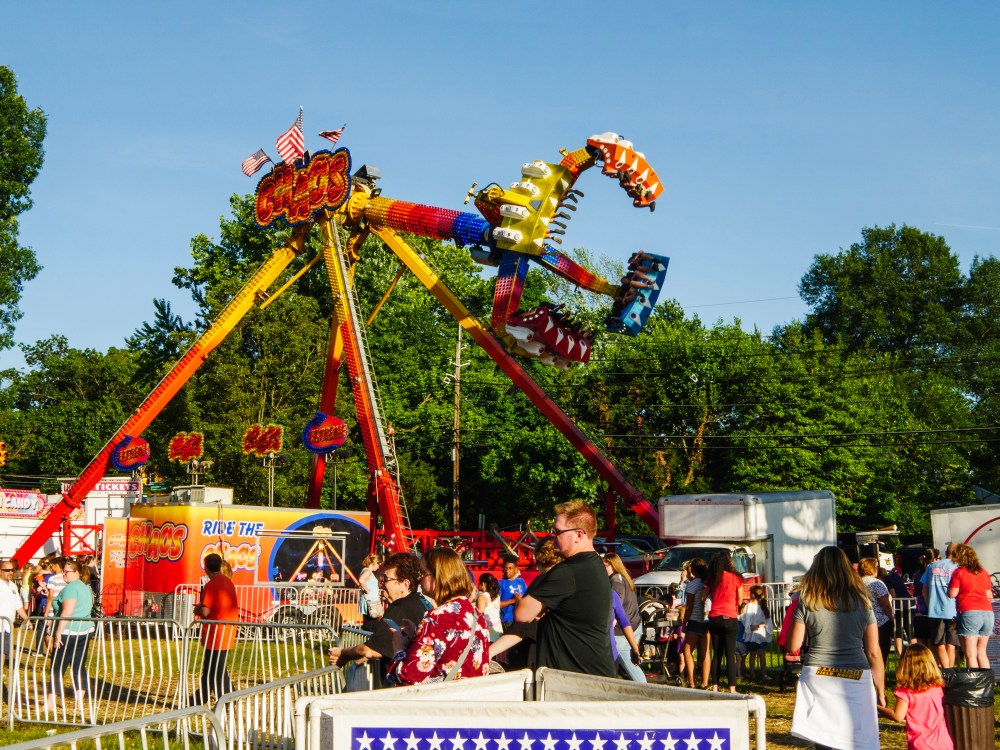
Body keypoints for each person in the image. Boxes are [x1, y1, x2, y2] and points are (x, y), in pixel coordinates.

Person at [788, 546, 885, 750]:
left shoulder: (807, 600)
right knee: (852, 737)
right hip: (856, 675)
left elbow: (794, 646)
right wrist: (881, 690)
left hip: (819, 673)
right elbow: (874, 652)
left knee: (823, 736)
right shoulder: (862, 601)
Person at [514, 500, 615, 677]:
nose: (552, 536)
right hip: (593, 674)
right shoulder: (595, 564)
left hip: (572, 680)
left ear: (578, 535)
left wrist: (537, 606)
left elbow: (522, 613)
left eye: (557, 531)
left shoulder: (568, 570)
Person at [388, 547, 489, 685]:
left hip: (443, 702)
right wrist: (418, 635)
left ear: (439, 577)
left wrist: (399, 647)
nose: (419, 578)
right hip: (473, 699)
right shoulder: (476, 615)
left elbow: (408, 676)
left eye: (423, 573)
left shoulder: (437, 618)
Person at [329, 552, 428, 685]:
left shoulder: (400, 607)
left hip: (400, 689)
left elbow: (371, 650)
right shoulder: (420, 602)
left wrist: (343, 653)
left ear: (405, 584)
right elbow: (386, 647)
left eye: (386, 580)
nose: (381, 585)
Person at [877, 643, 953, 750]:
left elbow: (898, 716)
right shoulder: (938, 687)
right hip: (943, 743)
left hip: (920, 744)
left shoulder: (906, 691)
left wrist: (877, 707)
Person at [46, 559, 95, 715]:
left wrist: (58, 632)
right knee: (78, 666)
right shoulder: (85, 587)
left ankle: (50, 702)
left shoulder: (71, 589)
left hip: (69, 632)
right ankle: (79, 703)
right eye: (63, 571)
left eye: (66, 571)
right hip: (84, 630)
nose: (63, 574)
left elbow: (67, 612)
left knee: (57, 667)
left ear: (76, 573)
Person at [193, 553, 239, 705]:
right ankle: (201, 698)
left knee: (215, 671)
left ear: (206, 568)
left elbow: (205, 611)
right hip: (227, 631)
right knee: (216, 668)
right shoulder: (228, 583)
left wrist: (197, 609)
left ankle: (226, 701)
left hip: (216, 634)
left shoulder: (211, 585)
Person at [946, 543, 995, 668]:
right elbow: (989, 595)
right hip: (987, 613)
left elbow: (952, 593)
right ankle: (986, 684)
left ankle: (973, 685)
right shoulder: (983, 572)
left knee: (970, 655)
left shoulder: (959, 572)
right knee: (982, 653)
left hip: (969, 613)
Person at [604, 552, 646, 683]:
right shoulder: (623, 578)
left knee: (631, 668)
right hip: (635, 624)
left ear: (611, 564)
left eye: (603, 565)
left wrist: (609, 626)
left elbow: (616, 609)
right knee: (628, 666)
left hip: (621, 632)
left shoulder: (615, 582)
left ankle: (647, 693)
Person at [704, 550, 742, 693]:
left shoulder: (713, 578)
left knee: (717, 654)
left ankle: (714, 686)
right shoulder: (736, 578)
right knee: (730, 653)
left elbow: (703, 597)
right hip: (730, 617)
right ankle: (732, 688)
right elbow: (739, 600)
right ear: (728, 562)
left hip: (715, 617)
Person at [920, 544, 958, 667]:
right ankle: (950, 672)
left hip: (935, 610)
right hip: (954, 610)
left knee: (939, 644)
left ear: (946, 552)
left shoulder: (932, 566)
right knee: (951, 645)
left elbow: (924, 590)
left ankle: (945, 671)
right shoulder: (958, 567)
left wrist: (930, 604)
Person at [858, 557, 894, 666]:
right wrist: (892, 618)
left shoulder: (855, 583)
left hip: (860, 623)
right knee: (881, 651)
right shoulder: (877, 583)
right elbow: (885, 604)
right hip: (880, 622)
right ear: (873, 568)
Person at [681, 559, 711, 689]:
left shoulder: (692, 585)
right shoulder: (707, 583)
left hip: (694, 621)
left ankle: (692, 683)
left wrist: (684, 623)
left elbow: (689, 607)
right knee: (705, 653)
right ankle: (704, 682)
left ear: (693, 570)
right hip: (706, 621)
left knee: (687, 651)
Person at [738, 584, 771, 682]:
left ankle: (752, 673)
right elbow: (768, 621)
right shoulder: (764, 606)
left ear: (753, 594)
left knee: (752, 655)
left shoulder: (749, 606)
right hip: (762, 634)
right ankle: (764, 674)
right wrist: (764, 626)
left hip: (752, 634)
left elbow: (743, 618)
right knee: (762, 655)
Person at [1, 559, 29, 658]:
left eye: (12, 570)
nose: (11, 572)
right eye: (7, 570)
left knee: (4, 651)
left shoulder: (13, 586)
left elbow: (18, 605)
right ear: (0, 571)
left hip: (8, 625)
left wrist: (27, 619)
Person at [498, 556, 526, 629]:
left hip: (521, 618)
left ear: (516, 569)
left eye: (510, 568)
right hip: (507, 619)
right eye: (505, 568)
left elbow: (527, 596)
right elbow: (496, 604)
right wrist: (513, 600)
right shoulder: (500, 583)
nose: (507, 570)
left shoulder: (521, 581)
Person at [358, 553, 384, 628]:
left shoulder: (366, 571)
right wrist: (367, 590)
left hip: (369, 601)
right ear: (374, 563)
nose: (379, 567)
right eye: (378, 565)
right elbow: (361, 580)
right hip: (370, 602)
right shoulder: (368, 571)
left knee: (369, 623)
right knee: (372, 624)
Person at [475, 573, 503, 643]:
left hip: (488, 633)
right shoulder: (496, 596)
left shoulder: (483, 597)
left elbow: (480, 615)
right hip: (498, 630)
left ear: (483, 584)